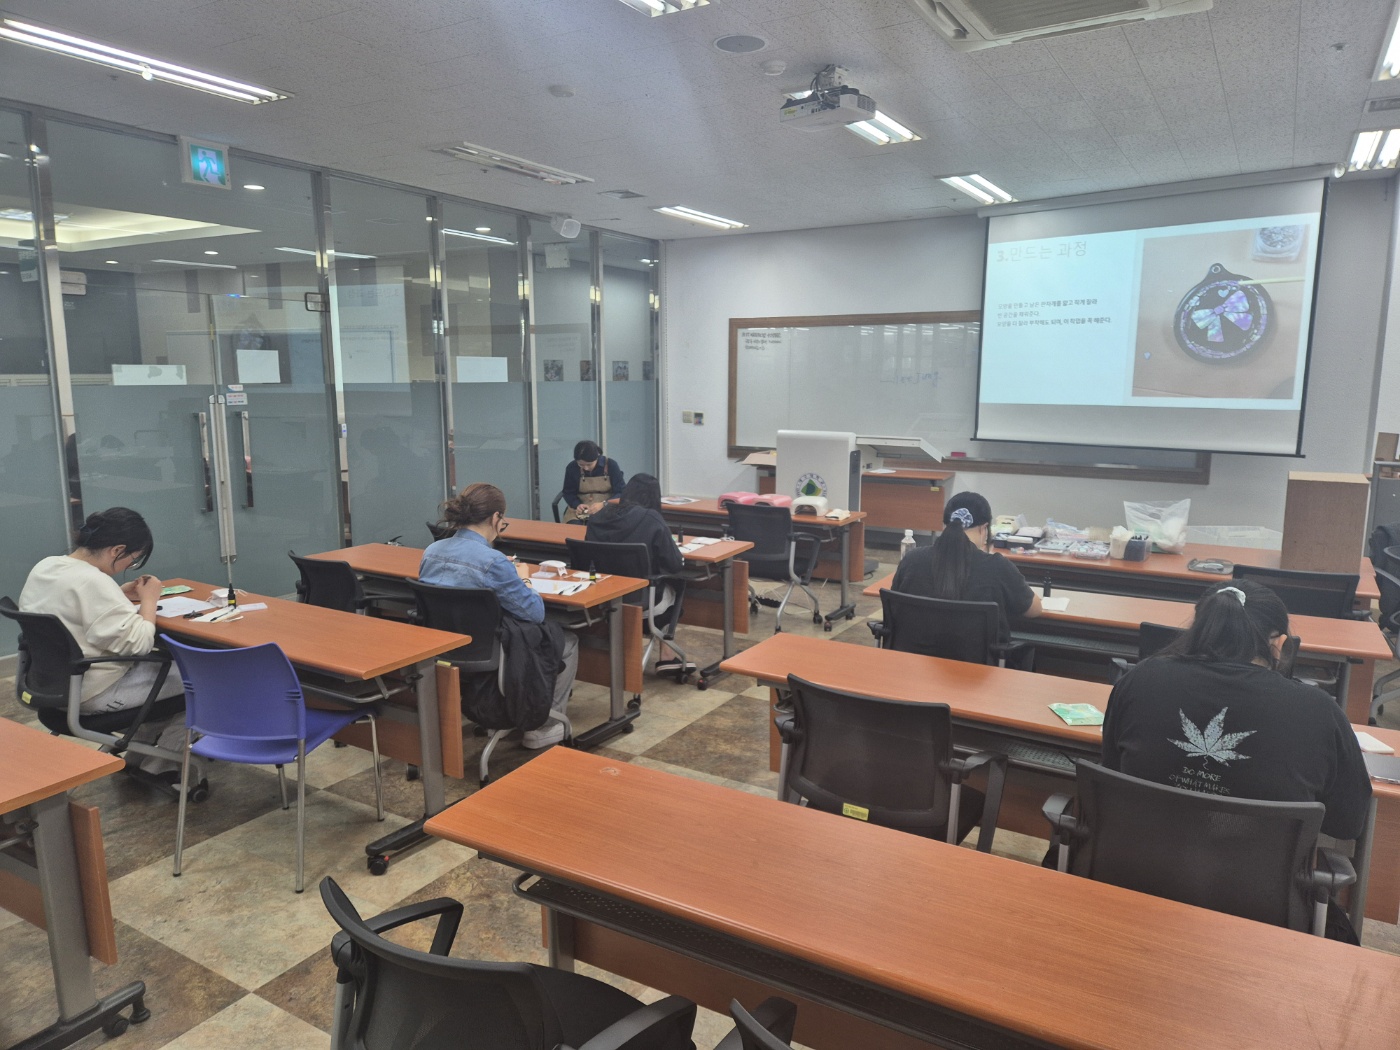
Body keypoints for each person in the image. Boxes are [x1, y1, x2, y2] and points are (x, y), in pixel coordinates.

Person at [1101, 578, 1372, 940]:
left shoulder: (1138, 680)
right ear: (1279, 645)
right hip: (1260, 919)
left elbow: (1111, 777)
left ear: (1199, 630)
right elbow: (1348, 823)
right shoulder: (1318, 711)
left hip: (1134, 891)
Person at [18, 507, 189, 775]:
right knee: (202, 679)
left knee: (168, 677)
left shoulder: (47, 566)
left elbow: (71, 608)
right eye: (132, 560)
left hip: (51, 685)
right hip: (91, 693)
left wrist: (117, 594)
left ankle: (139, 752)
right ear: (117, 550)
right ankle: (163, 763)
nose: (128, 567)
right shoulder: (93, 581)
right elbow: (140, 644)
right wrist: (149, 600)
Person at [419, 482, 577, 748]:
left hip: (444, 650)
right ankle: (543, 726)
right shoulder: (493, 561)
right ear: (496, 518)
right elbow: (534, 613)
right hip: (491, 653)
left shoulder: (431, 552)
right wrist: (523, 579)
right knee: (568, 641)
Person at [889, 490, 1042, 638]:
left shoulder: (912, 559)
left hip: (909, 654)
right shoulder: (997, 566)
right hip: (978, 656)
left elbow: (894, 604)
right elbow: (1034, 610)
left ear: (946, 525)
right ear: (984, 528)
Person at [585, 473, 689, 673]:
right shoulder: (652, 519)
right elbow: (675, 564)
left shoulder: (598, 517)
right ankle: (667, 656)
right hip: (641, 601)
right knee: (676, 587)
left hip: (602, 598)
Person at [562, 440, 624, 522]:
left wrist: (604, 504)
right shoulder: (572, 467)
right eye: (581, 464)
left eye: (589, 464)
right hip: (581, 508)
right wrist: (577, 504)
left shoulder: (611, 465)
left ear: (597, 457)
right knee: (574, 526)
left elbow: (621, 492)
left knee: (604, 525)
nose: (586, 468)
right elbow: (568, 492)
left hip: (607, 506)